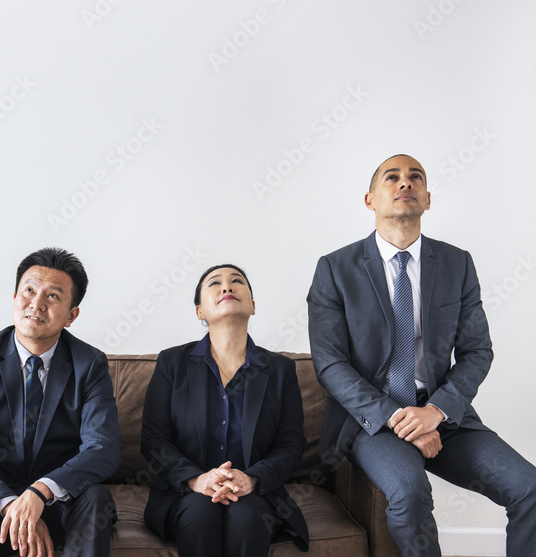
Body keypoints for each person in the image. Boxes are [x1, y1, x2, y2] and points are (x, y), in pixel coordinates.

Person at [307, 154, 536, 556]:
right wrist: (397, 417)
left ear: (427, 199)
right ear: (370, 199)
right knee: (410, 494)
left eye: (415, 178)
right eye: (392, 177)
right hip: (373, 422)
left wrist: (436, 412)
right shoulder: (335, 269)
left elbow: (477, 351)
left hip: (442, 414)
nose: (405, 183)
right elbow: (329, 363)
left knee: (529, 489)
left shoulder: (456, 264)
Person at [0, 247, 120, 557]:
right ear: (14, 298)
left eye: (53, 296)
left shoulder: (90, 364)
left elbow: (103, 449)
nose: (36, 304)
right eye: (29, 290)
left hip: (60, 499)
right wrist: (13, 505)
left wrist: (39, 492)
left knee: (97, 499)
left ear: (72, 315)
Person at [141, 264, 309, 556]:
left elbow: (291, 444)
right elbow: (154, 440)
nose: (227, 287)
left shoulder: (281, 370)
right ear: (200, 311)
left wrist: (252, 479)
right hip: (186, 494)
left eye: (237, 282)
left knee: (249, 516)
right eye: (215, 283)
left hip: (257, 493)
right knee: (199, 513)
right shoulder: (172, 363)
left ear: (253, 306)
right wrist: (196, 479)